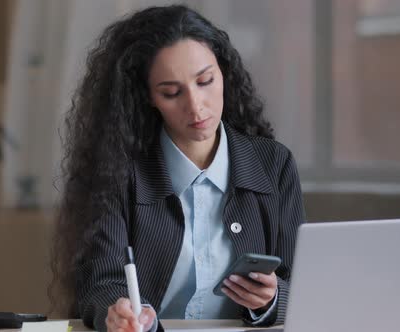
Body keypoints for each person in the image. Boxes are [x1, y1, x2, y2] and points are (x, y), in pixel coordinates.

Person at [51, 4, 305, 332]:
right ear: (147, 97)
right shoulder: (118, 172)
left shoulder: (274, 164)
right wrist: (117, 312)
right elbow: (102, 284)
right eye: (171, 92)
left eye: (206, 81)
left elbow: (300, 284)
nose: (196, 106)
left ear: (224, 72)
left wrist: (271, 299)